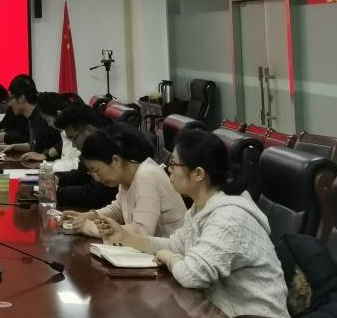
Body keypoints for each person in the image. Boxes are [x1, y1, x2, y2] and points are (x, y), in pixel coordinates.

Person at [97, 129, 290, 318]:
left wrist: (170, 258)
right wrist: (126, 237)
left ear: (198, 173)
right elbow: (175, 245)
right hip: (218, 309)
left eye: (174, 164)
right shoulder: (200, 207)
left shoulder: (229, 218)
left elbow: (192, 275)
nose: (168, 169)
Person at [63, 123, 185, 238]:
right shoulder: (127, 177)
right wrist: (89, 216)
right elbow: (118, 209)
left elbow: (140, 233)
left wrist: (87, 226)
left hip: (172, 252)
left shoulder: (146, 176)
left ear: (116, 161)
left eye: (95, 170)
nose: (96, 178)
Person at [52, 103, 117, 209]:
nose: (73, 145)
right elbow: (80, 173)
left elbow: (94, 195)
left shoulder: (108, 149)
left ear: (89, 130)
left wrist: (55, 192)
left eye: (74, 138)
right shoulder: (93, 146)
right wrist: (57, 178)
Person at [0, 75, 62, 160]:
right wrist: (14, 146)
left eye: (10, 99)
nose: (9, 104)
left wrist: (46, 155)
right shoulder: (31, 115)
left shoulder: (43, 115)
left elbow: (66, 140)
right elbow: (36, 144)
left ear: (22, 98)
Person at [18, 91, 69, 165]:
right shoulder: (65, 132)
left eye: (48, 120)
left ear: (59, 114)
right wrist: (46, 155)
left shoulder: (73, 132)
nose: (49, 124)